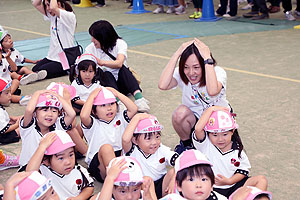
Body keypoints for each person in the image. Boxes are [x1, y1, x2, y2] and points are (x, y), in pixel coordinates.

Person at [158, 38, 230, 154]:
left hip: (217, 120)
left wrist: (207, 58)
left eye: (196, 67)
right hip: (195, 120)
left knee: (219, 153)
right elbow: (162, 85)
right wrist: (177, 54)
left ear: (204, 64)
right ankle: (187, 145)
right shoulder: (182, 74)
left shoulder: (217, 72)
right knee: (179, 114)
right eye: (186, 67)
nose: (191, 72)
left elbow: (212, 91)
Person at [85, 20, 150, 113]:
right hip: (107, 86)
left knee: (122, 68)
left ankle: (139, 99)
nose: (92, 40)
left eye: (94, 37)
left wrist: (101, 62)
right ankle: (118, 103)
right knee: (105, 73)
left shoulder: (119, 43)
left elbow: (119, 63)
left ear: (103, 37)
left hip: (122, 83)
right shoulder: (90, 49)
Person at [80, 86, 137, 182]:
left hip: (120, 156)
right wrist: (92, 96)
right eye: (103, 105)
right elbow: (84, 116)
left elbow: (133, 109)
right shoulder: (93, 123)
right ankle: (118, 181)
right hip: (100, 161)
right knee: (106, 148)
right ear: (94, 111)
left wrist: (117, 94)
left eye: (111, 103)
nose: (109, 108)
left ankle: (124, 178)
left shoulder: (120, 117)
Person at [193, 106, 251, 198]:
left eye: (225, 134)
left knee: (261, 180)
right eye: (215, 134)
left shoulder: (238, 150)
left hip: (234, 186)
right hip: (213, 190)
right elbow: (198, 129)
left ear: (232, 131)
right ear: (208, 133)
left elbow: (243, 170)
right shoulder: (206, 145)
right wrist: (211, 109)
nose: (220, 139)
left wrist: (229, 181)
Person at [122, 113, 179, 198]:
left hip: (161, 186)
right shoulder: (133, 150)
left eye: (157, 137)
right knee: (147, 180)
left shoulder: (161, 149)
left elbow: (180, 160)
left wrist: (174, 178)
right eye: (148, 139)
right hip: (141, 188)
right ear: (135, 140)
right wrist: (137, 117)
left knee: (174, 172)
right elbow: (125, 139)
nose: (154, 142)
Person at [26, 130, 94, 199]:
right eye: (61, 158)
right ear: (46, 160)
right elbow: (30, 173)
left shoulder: (79, 170)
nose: (68, 162)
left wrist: (79, 198)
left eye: (71, 155)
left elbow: (89, 187)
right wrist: (42, 147)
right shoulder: (44, 172)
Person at [18, 89, 76, 171]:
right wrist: (37, 93)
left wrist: (58, 96)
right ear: (35, 113)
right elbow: (29, 110)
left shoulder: (57, 126)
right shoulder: (29, 127)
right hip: (28, 168)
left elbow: (72, 114)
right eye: (45, 110)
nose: (50, 114)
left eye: (54, 111)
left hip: (50, 168)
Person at [32, 0, 76, 79]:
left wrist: (53, 5)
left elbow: (53, 7)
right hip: (52, 56)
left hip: (64, 58)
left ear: (58, 4)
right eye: (46, 6)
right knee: (35, 69)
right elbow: (36, 4)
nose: (48, 8)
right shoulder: (53, 16)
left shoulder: (69, 16)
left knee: (42, 70)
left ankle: (67, 69)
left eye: (48, 5)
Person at [91, 156, 157, 200]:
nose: (130, 197)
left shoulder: (144, 196)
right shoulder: (106, 196)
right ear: (111, 188)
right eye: (123, 191)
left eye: (135, 190)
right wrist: (110, 178)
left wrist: (148, 197)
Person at [0, 35, 31, 106]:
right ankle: (21, 98)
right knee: (7, 93)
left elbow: (14, 69)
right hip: (1, 89)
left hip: (8, 87)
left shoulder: (4, 61)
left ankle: (8, 96)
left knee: (16, 81)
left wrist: (8, 58)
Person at [0, 78, 21, 145]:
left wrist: (10, 118)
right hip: (2, 136)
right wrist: (16, 125)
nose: (10, 95)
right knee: (21, 129)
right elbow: (4, 130)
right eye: (7, 93)